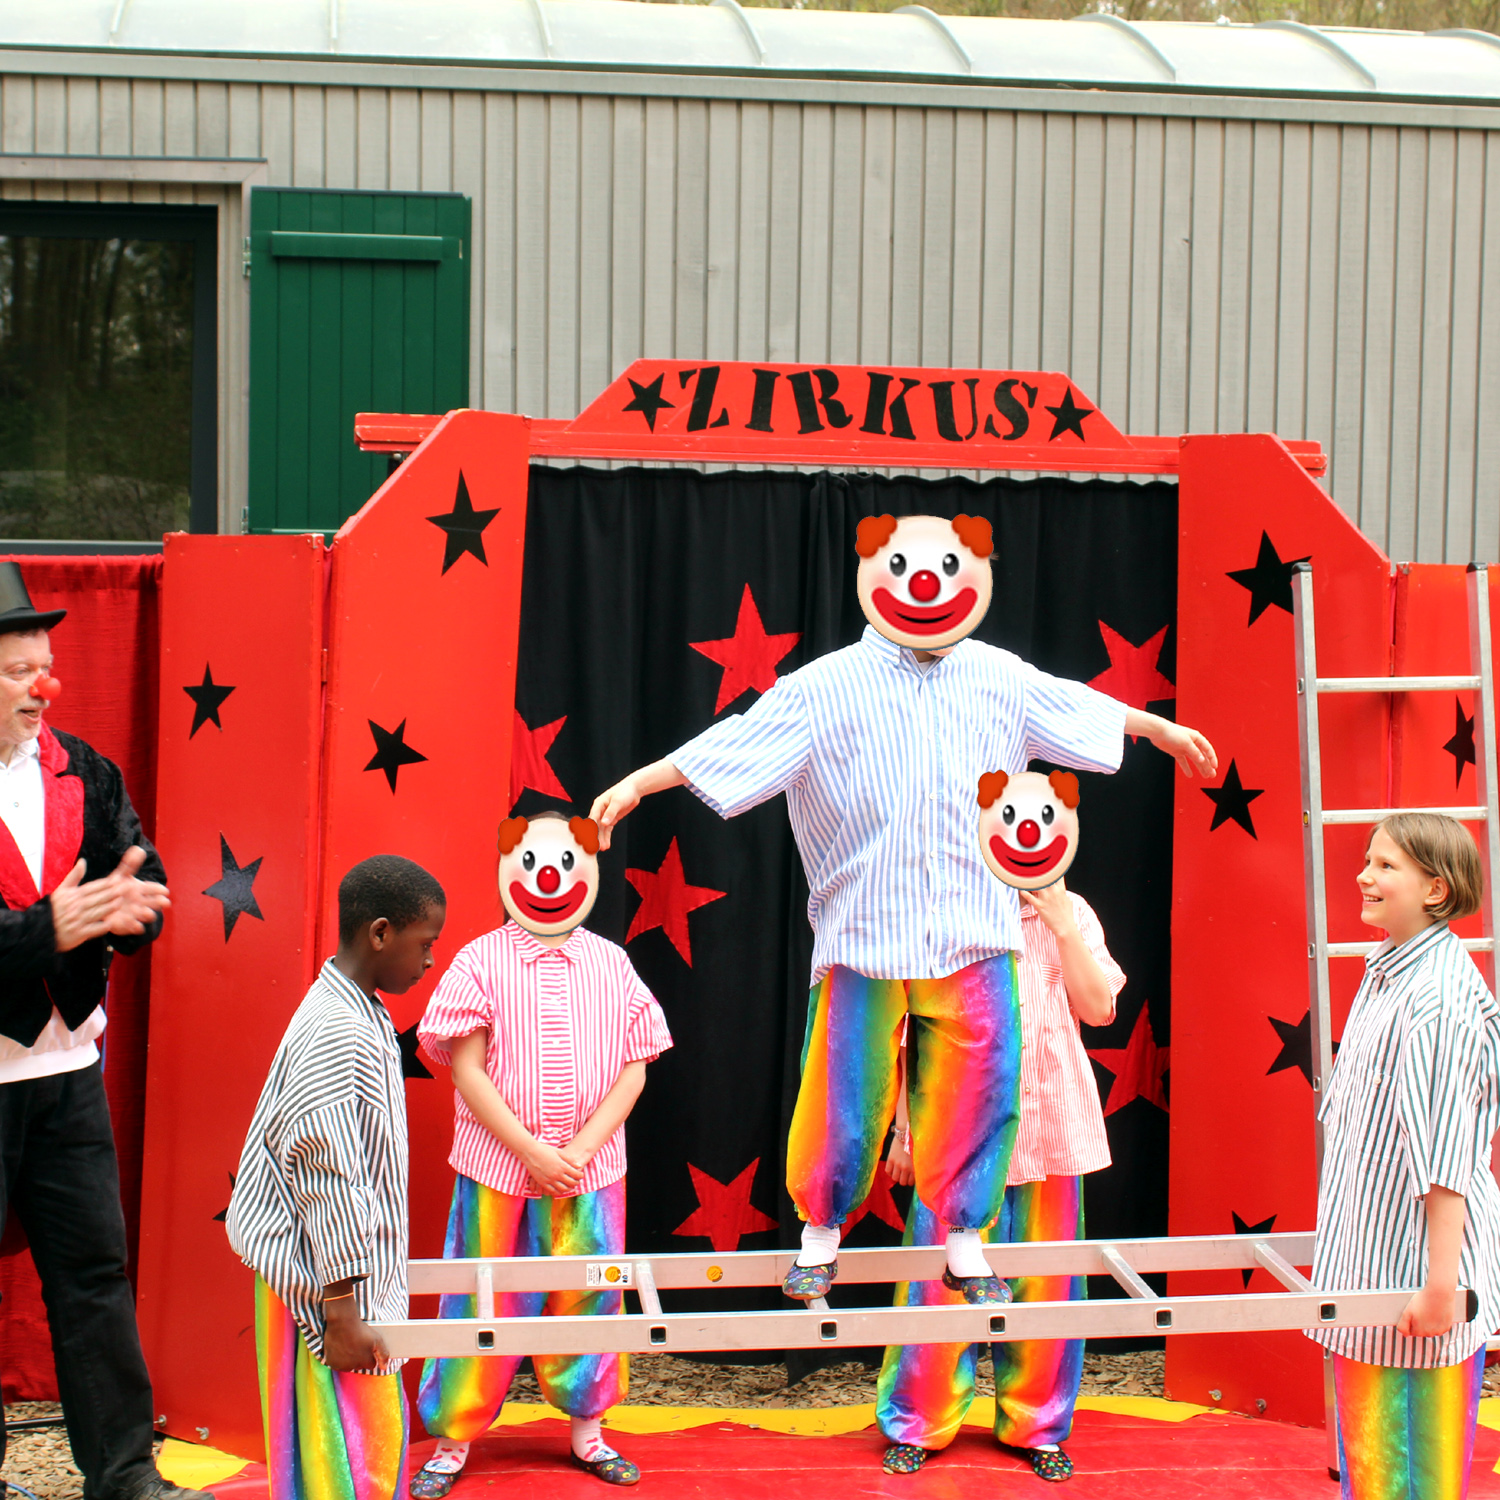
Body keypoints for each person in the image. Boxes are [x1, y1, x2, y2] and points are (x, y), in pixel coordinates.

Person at [590, 512, 1216, 1303]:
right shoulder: (826, 686)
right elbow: (735, 741)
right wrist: (640, 783)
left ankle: (966, 1243)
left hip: (976, 934)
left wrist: (1156, 727)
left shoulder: (998, 675)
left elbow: (1074, 706)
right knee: (843, 1098)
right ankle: (820, 1237)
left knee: (977, 1092)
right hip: (864, 937)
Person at [0, 561, 193, 1500]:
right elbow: (49, 921)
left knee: (93, 1276)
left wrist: (136, 909)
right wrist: (47, 928)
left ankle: (124, 1477)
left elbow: (138, 868)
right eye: (16, 671)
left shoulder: (86, 769)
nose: (45, 687)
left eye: (46, 665)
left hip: (66, 1070)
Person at [409, 811, 671, 1495]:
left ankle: (589, 1433)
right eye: (529, 861)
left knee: (590, 1299)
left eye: (560, 861)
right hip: (497, 1176)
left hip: (592, 1178)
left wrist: (579, 1150)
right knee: (477, 1301)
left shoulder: (613, 964)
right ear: (505, 866)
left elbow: (636, 1066)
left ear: (588, 871)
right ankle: (452, 1440)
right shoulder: (478, 961)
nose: (546, 877)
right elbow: (466, 1069)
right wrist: (529, 1151)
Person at [877, 875, 1124, 1481]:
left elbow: (1099, 1009)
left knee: (1048, 1288)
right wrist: (906, 1131)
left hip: (1051, 1133)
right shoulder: (944, 906)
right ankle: (918, 1424)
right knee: (937, 1290)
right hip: (959, 1138)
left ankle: (1037, 1426)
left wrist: (1064, 926)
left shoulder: (1076, 911)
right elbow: (913, 1030)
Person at [225, 855, 447, 1500]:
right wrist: (343, 1309)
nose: (430, 960)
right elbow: (329, 1176)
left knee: (349, 1444)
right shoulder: (337, 1029)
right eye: (425, 944)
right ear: (380, 933)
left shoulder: (358, 1008)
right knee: (344, 1450)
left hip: (334, 1278)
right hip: (324, 1288)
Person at [1308, 813, 1500, 1500]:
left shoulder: (1438, 1002)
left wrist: (1441, 1285)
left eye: (1386, 865)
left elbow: (1446, 1155)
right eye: (1368, 859)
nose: (1364, 874)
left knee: (1411, 1479)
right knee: (1374, 1474)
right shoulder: (1387, 975)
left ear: (1435, 889)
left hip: (1414, 1282)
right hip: (1372, 1273)